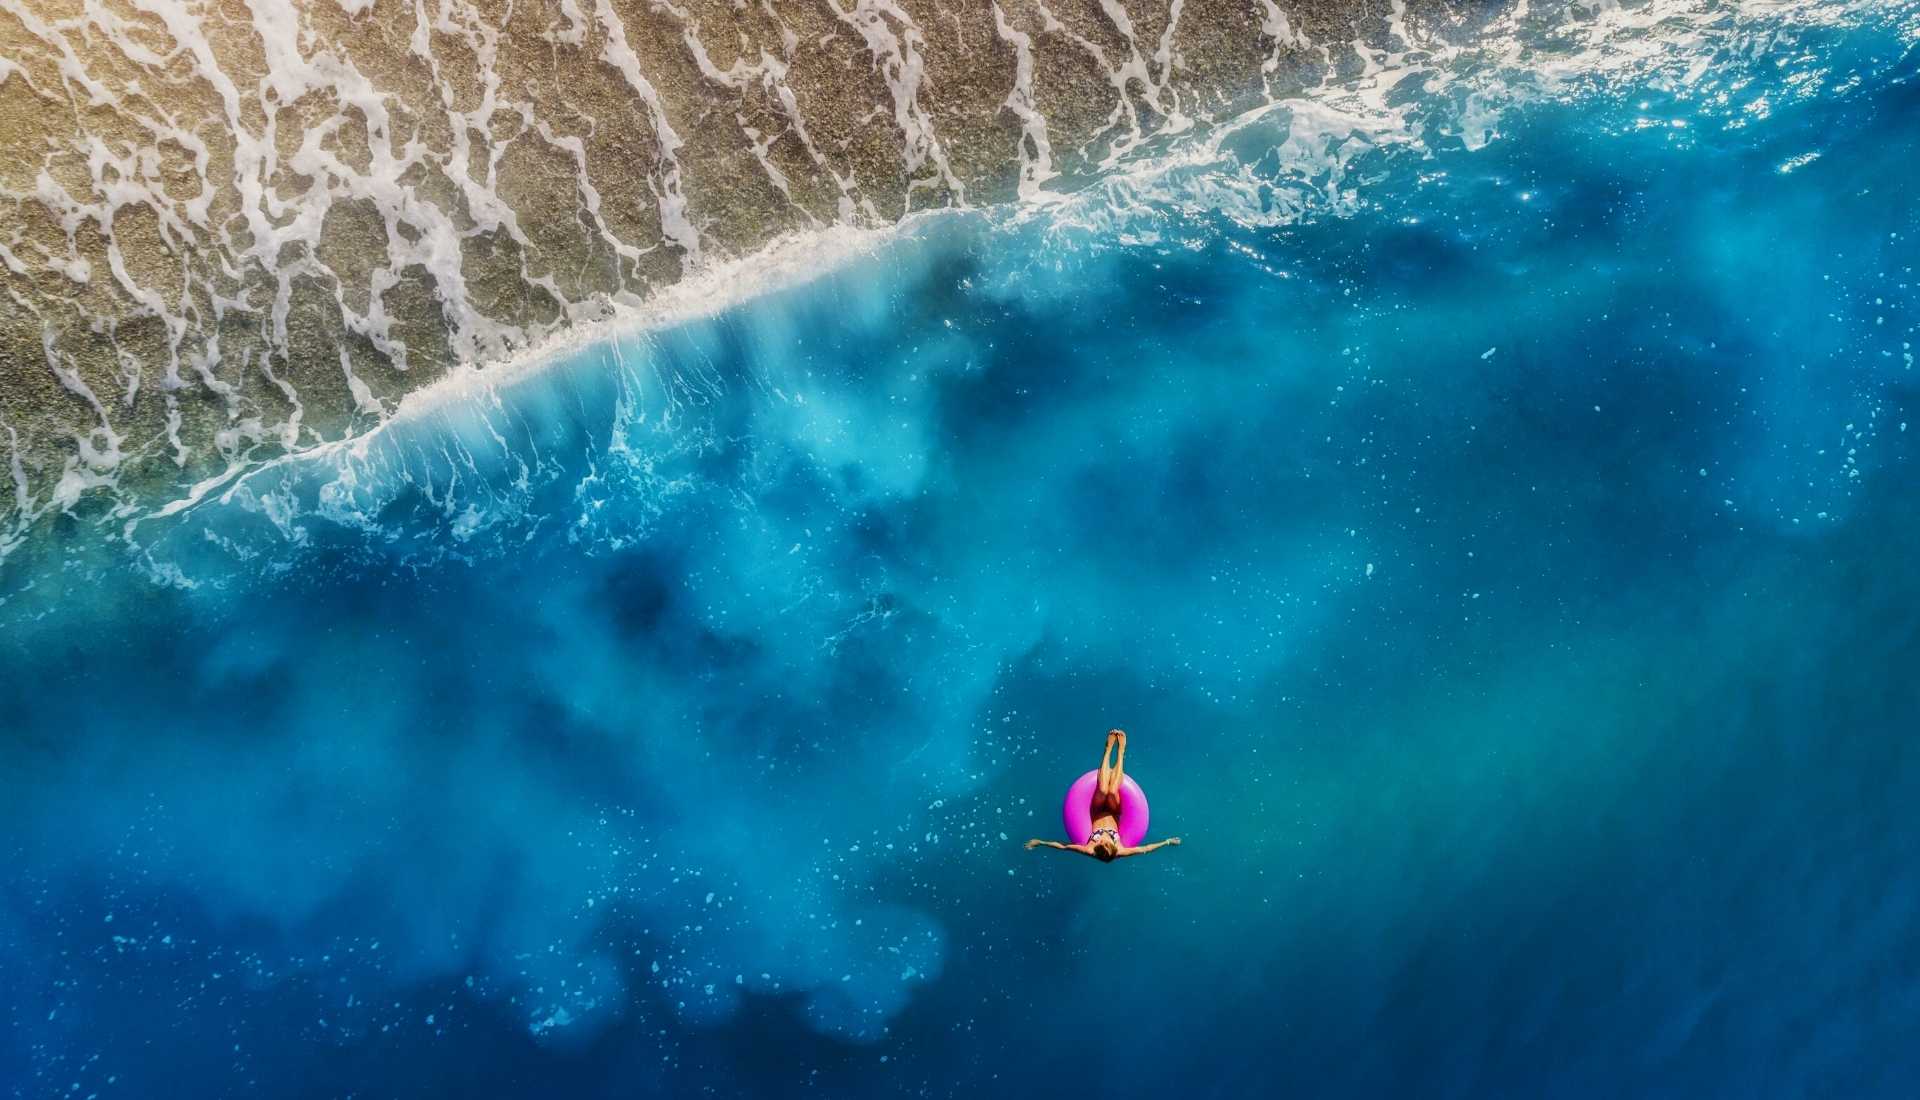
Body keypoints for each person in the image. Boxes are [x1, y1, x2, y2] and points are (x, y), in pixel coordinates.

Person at [1025, 728, 1182, 862]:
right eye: (1104, 841)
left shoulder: (1089, 848)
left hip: (1096, 809)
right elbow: (1145, 849)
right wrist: (1167, 841)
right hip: (1114, 810)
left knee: (1102, 790)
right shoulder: (1120, 850)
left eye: (1098, 841)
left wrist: (1040, 842)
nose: (1100, 839)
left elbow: (1064, 846)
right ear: (1112, 846)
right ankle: (1121, 752)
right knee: (1112, 791)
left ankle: (1107, 749)